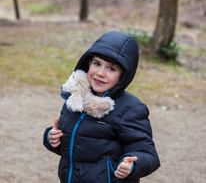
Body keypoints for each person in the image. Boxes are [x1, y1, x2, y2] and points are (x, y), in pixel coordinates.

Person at [43, 31, 160, 183]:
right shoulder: (76, 98)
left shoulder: (130, 109)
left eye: (111, 68)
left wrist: (133, 165)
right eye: (97, 63)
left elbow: (147, 154)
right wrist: (51, 138)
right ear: (88, 64)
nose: (100, 73)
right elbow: (74, 143)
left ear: (123, 75)